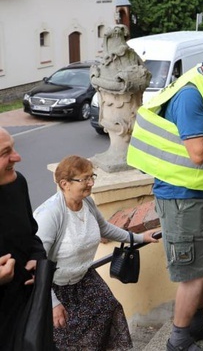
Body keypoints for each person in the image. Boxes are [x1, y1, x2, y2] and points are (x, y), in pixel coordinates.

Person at [127, 41, 203, 351]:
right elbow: (198, 152)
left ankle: (196, 320)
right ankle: (178, 337)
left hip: (201, 191)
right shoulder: (191, 94)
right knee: (192, 273)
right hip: (181, 198)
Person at [33, 155, 159, 350]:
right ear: (65, 184)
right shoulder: (51, 214)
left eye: (92, 177)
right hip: (54, 286)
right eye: (85, 179)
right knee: (67, 339)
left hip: (83, 278)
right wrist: (52, 303)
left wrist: (140, 238)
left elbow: (105, 229)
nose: (91, 183)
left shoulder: (87, 203)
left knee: (109, 308)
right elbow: (37, 261)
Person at [0, 127, 50, 350]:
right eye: (5, 152)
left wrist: (38, 257)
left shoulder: (17, 183)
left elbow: (31, 235)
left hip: (28, 312)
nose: (17, 157)